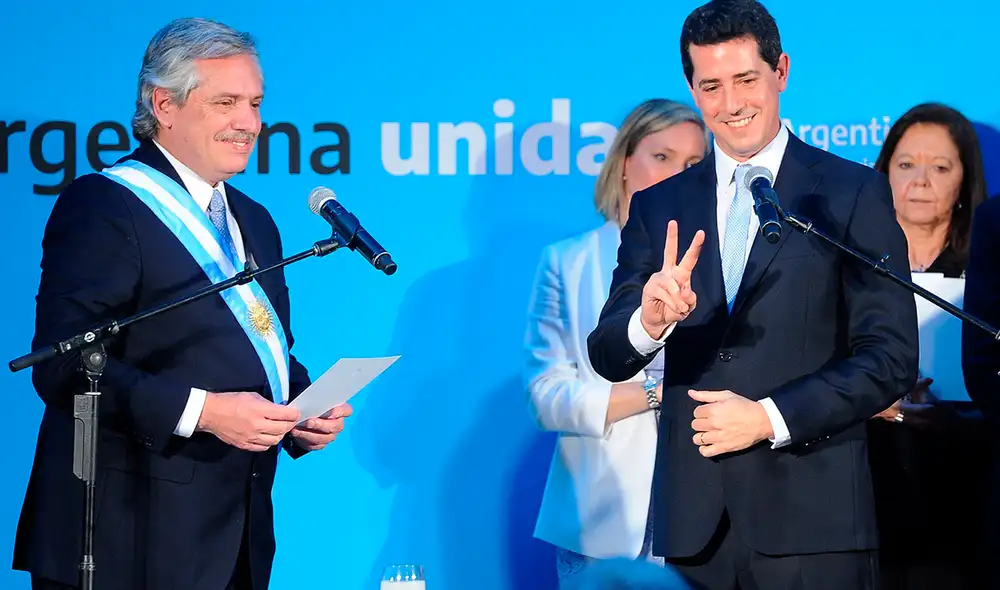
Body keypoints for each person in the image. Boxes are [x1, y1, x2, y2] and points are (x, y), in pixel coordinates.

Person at [586, 1, 919, 588]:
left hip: (815, 521)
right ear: (691, 87)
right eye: (710, 86)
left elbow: (889, 359)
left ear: (781, 72)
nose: (731, 104)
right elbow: (609, 351)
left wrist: (768, 418)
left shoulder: (850, 192)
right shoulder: (660, 204)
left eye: (747, 80)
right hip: (697, 527)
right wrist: (649, 320)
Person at [12, 18, 350, 590]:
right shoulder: (105, 205)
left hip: (233, 537)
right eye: (227, 103)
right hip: (127, 539)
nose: (250, 123)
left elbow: (259, 349)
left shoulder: (256, 222)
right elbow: (62, 366)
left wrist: (300, 407)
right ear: (164, 105)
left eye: (255, 103)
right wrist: (209, 413)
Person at [523, 99, 708, 586]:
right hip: (598, 518)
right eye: (662, 157)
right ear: (625, 163)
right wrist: (653, 396)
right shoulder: (569, 261)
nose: (676, 175)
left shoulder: (721, 256)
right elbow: (544, 395)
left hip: (703, 504)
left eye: (693, 164)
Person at [865, 102, 991, 590]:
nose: (920, 181)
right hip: (868, 479)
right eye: (906, 165)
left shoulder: (988, 267)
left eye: (940, 167)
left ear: (963, 182)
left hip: (966, 479)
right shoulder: (845, 260)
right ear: (884, 173)